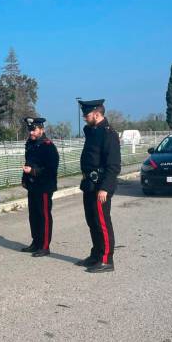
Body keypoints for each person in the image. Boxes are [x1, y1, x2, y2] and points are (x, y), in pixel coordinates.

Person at [76, 99, 121, 273]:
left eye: (86, 115)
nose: (84, 118)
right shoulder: (92, 131)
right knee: (92, 221)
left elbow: (114, 165)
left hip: (101, 186)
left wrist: (106, 188)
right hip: (89, 183)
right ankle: (96, 254)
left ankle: (106, 259)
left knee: (102, 222)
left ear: (97, 113)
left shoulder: (108, 134)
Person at [20, 117, 60, 257]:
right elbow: (28, 162)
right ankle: (36, 242)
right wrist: (25, 179)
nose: (31, 132)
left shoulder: (47, 146)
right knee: (34, 215)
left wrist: (33, 172)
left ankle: (44, 245)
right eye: (29, 129)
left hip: (44, 185)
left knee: (44, 216)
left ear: (41, 129)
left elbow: (51, 168)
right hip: (32, 185)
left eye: (34, 129)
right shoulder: (30, 144)